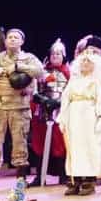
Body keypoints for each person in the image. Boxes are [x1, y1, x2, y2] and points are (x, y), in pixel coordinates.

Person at [0, 28, 44, 191]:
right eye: (10, 37)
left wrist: (17, 66)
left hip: (19, 108)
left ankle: (21, 181)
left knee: (20, 144)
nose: (12, 39)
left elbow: (40, 72)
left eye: (16, 37)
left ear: (22, 42)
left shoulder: (29, 58)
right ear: (5, 41)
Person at [57, 48, 101, 196]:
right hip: (74, 117)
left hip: (90, 117)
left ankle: (88, 181)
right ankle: (74, 180)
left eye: (89, 61)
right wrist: (63, 118)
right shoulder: (74, 81)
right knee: (74, 149)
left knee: (89, 149)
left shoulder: (99, 81)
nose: (85, 63)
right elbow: (65, 100)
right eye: (83, 60)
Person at [29, 39, 69, 187]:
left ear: (64, 56)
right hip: (43, 112)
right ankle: (40, 177)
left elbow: (71, 91)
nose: (55, 56)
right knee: (40, 145)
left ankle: (64, 176)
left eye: (58, 53)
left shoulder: (70, 72)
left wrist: (58, 102)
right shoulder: (41, 72)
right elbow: (34, 91)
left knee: (61, 144)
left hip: (61, 112)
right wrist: (44, 100)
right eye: (53, 53)